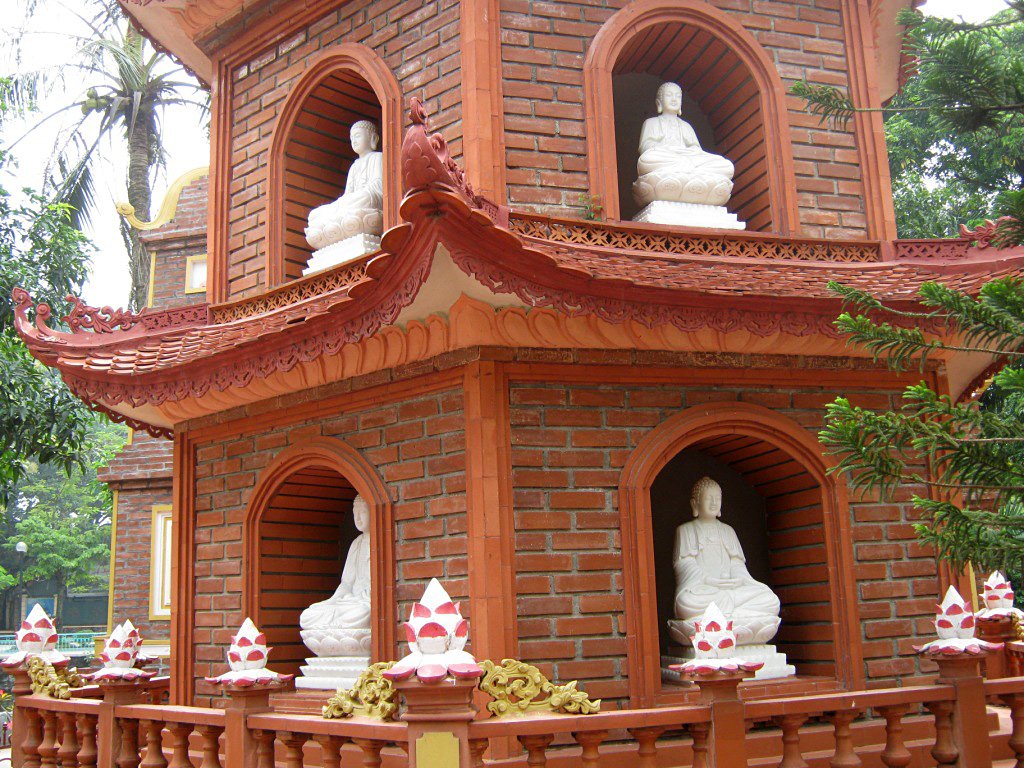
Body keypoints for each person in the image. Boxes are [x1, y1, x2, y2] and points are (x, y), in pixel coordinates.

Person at [673, 476, 780, 626]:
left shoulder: (728, 531)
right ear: (695, 503)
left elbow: (737, 564)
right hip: (705, 590)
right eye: (708, 498)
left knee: (770, 598)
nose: (714, 503)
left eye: (717, 498)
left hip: (732, 589)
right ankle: (737, 616)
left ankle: (726, 616)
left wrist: (737, 579)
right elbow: (684, 564)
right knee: (687, 602)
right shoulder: (685, 530)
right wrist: (708, 580)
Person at [632, 82, 735, 209]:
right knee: (646, 160)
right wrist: (669, 150)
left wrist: (688, 154)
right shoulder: (652, 123)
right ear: (659, 101)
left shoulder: (686, 126)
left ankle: (688, 168)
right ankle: (686, 168)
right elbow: (646, 148)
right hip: (667, 160)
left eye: (677, 96)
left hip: (687, 160)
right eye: (669, 95)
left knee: (726, 165)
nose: (674, 99)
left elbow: (696, 150)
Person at [305, 120, 384, 250]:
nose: (354, 140)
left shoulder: (377, 157)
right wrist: (342, 202)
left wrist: (358, 197)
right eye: (352, 138)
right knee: (314, 215)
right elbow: (348, 195)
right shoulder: (354, 166)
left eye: (358, 136)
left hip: (368, 200)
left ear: (373, 138)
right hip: (351, 208)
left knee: (362, 198)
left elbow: (378, 185)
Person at [300, 495, 372, 630]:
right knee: (308, 615)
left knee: (363, 613)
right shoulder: (356, 543)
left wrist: (361, 599)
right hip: (349, 602)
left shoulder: (379, 542)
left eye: (362, 512)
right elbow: (346, 583)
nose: (358, 518)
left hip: (364, 603)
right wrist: (331, 601)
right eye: (355, 513)